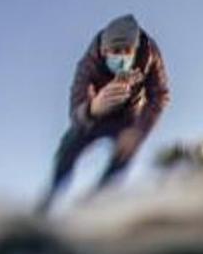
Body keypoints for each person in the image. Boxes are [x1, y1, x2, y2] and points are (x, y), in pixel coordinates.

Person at [39, 15, 170, 214]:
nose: (122, 57)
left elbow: (159, 95)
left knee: (125, 153)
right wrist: (92, 108)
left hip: (128, 118)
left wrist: (138, 131)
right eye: (116, 52)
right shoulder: (89, 63)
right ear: (104, 50)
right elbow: (75, 108)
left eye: (127, 51)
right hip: (96, 116)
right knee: (68, 146)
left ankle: (95, 202)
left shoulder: (150, 56)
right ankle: (49, 199)